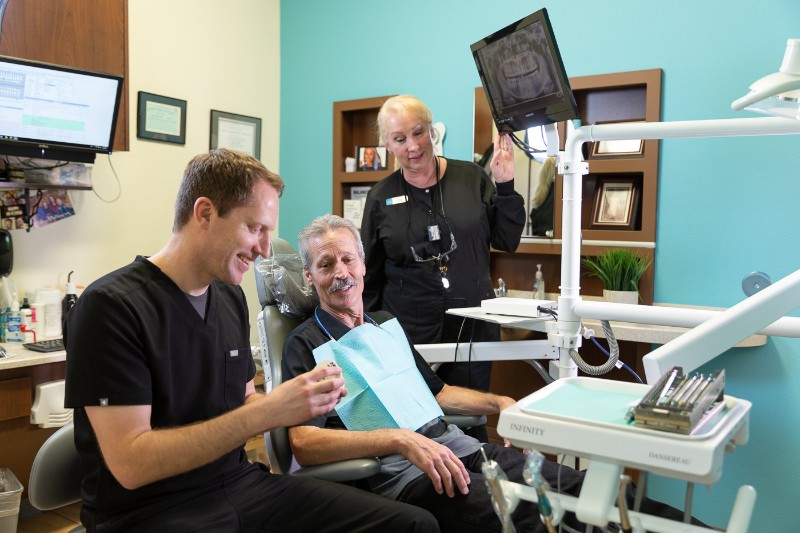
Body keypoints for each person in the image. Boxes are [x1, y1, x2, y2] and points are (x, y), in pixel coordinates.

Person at [64, 149, 438, 532]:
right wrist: (270, 410)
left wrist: (299, 403)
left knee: (413, 525)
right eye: (254, 228)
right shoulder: (111, 307)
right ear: (205, 213)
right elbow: (131, 463)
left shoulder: (228, 298)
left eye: (268, 233)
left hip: (238, 486)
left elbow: (243, 399)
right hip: (151, 511)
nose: (263, 249)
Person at [283, 215, 707, 532]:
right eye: (325, 264)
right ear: (309, 276)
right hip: (412, 476)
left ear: (361, 264)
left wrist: (501, 403)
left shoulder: (382, 325)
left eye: (347, 259)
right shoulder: (306, 345)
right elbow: (303, 442)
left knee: (593, 489)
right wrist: (398, 438)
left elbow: (439, 392)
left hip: (464, 451)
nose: (340, 273)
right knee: (545, 517)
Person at [360, 95, 526, 422]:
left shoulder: (472, 179)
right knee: (417, 426)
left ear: (432, 132)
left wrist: (505, 185)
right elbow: (370, 276)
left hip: (471, 331)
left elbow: (508, 240)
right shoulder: (380, 197)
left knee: (469, 425)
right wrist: (372, 335)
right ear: (387, 144)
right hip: (407, 336)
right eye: (399, 139)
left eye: (418, 132)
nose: (412, 146)